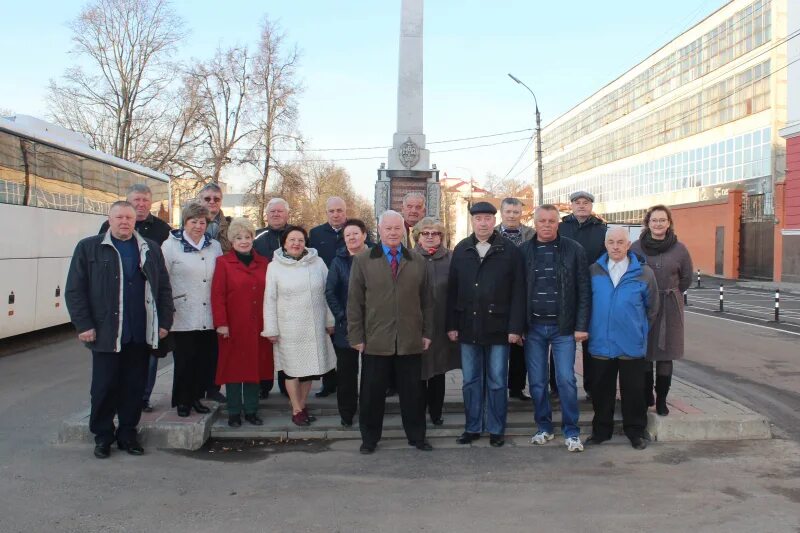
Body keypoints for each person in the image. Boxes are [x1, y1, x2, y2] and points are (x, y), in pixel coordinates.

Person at [66, 201, 172, 459]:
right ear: (109, 219)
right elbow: (75, 290)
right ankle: (103, 436)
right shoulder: (89, 247)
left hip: (139, 333)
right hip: (106, 333)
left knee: (133, 388)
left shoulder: (150, 248)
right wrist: (84, 325)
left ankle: (127, 434)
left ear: (135, 220)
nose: (124, 222)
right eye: (119, 217)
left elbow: (163, 289)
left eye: (129, 217)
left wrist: (164, 323)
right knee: (103, 387)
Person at [348, 210, 434, 454]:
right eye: (388, 228)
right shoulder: (363, 260)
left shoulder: (417, 261)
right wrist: (356, 337)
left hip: (410, 338)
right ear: (380, 230)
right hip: (376, 340)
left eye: (397, 228)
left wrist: (427, 332)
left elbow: (427, 300)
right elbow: (354, 303)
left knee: (413, 394)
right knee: (372, 394)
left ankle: (417, 437)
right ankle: (369, 439)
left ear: (404, 230)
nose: (393, 232)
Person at [447, 202, 525, 448]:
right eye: (478, 218)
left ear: (495, 221)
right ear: (473, 221)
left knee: (497, 381)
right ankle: (472, 427)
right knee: (470, 380)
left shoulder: (509, 250)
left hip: (499, 328)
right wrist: (452, 324)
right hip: (468, 326)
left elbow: (518, 292)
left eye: (487, 218)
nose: (483, 223)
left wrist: (515, 328)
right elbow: (452, 290)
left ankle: (496, 428)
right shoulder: (462, 249)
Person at [521, 204, 591, 453]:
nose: (547, 225)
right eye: (542, 221)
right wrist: (518, 327)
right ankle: (544, 427)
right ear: (535, 223)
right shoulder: (524, 251)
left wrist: (581, 326)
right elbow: (518, 293)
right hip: (534, 328)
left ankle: (571, 431)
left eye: (552, 221)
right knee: (537, 382)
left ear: (558, 223)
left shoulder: (574, 250)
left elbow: (584, 290)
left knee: (565, 380)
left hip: (563, 328)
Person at [98, 184, 171, 414]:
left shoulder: (161, 231)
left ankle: (141, 401)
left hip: (146, 311)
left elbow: (165, 279)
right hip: (113, 315)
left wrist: (165, 318)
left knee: (144, 365)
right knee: (108, 375)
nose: (140, 205)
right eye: (136, 201)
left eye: (145, 201)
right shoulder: (100, 236)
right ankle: (106, 424)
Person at [586, 227, 660, 450]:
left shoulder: (644, 273)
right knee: (601, 391)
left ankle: (635, 432)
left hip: (631, 343)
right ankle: (601, 431)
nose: (615, 246)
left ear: (629, 245)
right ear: (605, 244)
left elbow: (652, 308)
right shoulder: (594, 271)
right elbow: (586, 304)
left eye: (620, 242)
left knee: (634, 391)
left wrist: (638, 329)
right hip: (601, 342)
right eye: (611, 242)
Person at [262, 226, 336, 426]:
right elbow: (269, 299)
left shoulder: (318, 263)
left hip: (314, 326)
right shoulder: (274, 267)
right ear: (284, 243)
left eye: (300, 240)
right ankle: (296, 409)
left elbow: (328, 294)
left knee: (308, 370)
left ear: (305, 243)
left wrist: (330, 320)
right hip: (289, 329)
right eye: (292, 240)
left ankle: (302, 406)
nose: (296, 243)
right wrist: (271, 328)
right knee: (292, 371)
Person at [161, 202, 223, 417]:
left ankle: (197, 397)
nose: (198, 226)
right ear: (185, 222)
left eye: (202, 222)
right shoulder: (170, 246)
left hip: (209, 312)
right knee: (185, 360)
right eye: (193, 221)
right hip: (183, 312)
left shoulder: (213, 245)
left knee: (204, 359)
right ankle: (182, 401)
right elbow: (162, 279)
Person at [630, 204, 693, 416]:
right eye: (654, 220)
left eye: (662, 220)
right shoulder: (636, 248)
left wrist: (670, 293)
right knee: (646, 353)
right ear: (647, 223)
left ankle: (662, 399)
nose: (658, 224)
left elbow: (686, 278)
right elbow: (630, 273)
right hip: (644, 305)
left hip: (669, 307)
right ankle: (647, 393)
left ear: (669, 223)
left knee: (666, 355)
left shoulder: (680, 249)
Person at [212, 218, 274, 427]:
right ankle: (234, 412)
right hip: (233, 326)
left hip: (258, 326)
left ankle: (251, 410)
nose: (244, 241)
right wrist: (221, 323)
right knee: (233, 370)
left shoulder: (264, 263)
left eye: (247, 237)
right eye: (239, 238)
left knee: (253, 369)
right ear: (232, 240)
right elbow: (217, 295)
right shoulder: (223, 263)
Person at [559, 190, 608, 401]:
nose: (581, 206)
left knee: (591, 341)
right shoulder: (561, 227)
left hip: (593, 290)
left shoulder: (601, 229)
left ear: (591, 206)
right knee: (561, 340)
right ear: (571, 206)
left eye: (585, 202)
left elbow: (606, 258)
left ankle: (592, 387)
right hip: (564, 290)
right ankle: (557, 386)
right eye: (577, 202)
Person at [413, 217, 460, 426]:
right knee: (418, 370)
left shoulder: (452, 258)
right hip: (416, 323)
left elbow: (459, 291)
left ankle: (436, 411)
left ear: (441, 236)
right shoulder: (409, 257)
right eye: (426, 233)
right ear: (418, 236)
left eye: (435, 233)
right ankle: (417, 409)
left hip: (442, 323)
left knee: (439, 369)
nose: (430, 237)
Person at [325, 218, 370, 427]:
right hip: (346, 326)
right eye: (347, 235)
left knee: (371, 373)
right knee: (346, 373)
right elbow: (330, 292)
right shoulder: (338, 261)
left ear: (364, 235)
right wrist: (341, 315)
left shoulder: (376, 258)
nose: (352, 238)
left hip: (373, 324)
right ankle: (347, 413)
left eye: (355, 233)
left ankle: (369, 410)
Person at [308, 196, 348, 398]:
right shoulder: (315, 234)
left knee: (346, 343)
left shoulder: (354, 231)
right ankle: (328, 382)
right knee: (327, 340)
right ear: (326, 213)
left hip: (348, 294)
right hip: (323, 293)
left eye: (339, 210)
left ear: (345, 212)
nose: (336, 214)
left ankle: (345, 383)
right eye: (331, 211)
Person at [495, 197, 534, 402]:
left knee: (521, 343)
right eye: (508, 211)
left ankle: (517, 387)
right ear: (502, 213)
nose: (512, 215)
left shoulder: (531, 235)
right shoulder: (489, 234)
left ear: (521, 213)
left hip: (524, 293)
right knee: (498, 344)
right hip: (497, 296)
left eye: (516, 212)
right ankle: (497, 386)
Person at [253, 197, 291, 398]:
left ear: (287, 214)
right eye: (272, 212)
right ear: (266, 215)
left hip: (289, 299)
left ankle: (288, 384)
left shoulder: (295, 234)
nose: (276, 214)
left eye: (280, 211)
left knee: (286, 342)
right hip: (263, 298)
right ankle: (263, 385)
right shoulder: (257, 237)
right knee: (265, 344)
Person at [198, 183, 232, 253]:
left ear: (221, 201)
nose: (212, 201)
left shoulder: (232, 226)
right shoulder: (191, 225)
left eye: (216, 199)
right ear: (200, 201)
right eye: (207, 199)